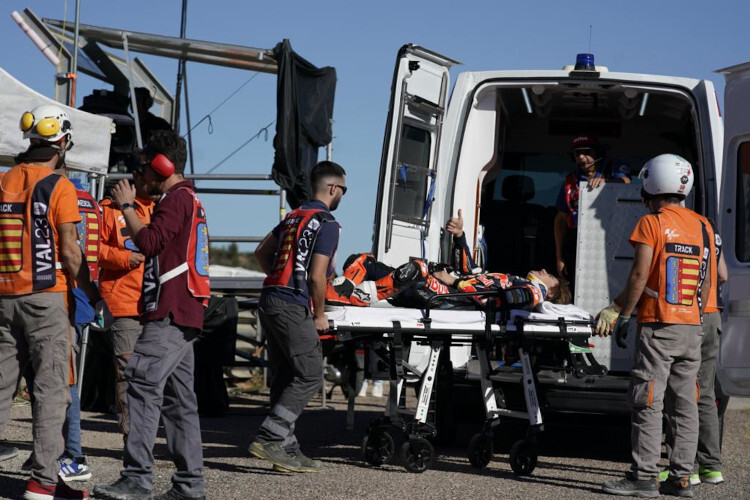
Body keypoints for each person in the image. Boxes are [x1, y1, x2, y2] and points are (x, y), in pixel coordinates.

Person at [93, 130, 210, 500]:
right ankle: (189, 485)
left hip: (172, 309)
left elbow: (148, 243)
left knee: (141, 382)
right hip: (183, 309)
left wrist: (127, 207)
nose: (140, 177)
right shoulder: (188, 199)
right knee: (179, 399)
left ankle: (137, 478)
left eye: (145, 167)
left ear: (163, 165)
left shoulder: (176, 200)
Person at [596, 154, 713, 498]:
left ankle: (644, 477)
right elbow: (705, 283)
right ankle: (680, 478)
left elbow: (639, 274)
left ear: (651, 184)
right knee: (686, 403)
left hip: (658, 325)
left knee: (648, 400)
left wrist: (619, 310)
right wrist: (697, 317)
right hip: (692, 325)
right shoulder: (704, 226)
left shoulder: (653, 223)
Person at [0, 104, 98, 499]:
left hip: (3, 298)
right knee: (52, 390)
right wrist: (91, 291)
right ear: (63, 142)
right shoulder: (59, 187)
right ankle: (42, 483)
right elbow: (71, 253)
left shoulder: (4, 180)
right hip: (46, 299)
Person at [249, 161, 346, 473]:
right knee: (309, 373)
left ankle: (286, 448)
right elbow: (318, 276)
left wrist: (280, 277)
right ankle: (270, 437)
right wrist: (319, 314)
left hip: (270, 298)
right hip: (292, 303)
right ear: (333, 188)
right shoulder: (327, 222)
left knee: (286, 374)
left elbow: (261, 252)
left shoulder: (294, 216)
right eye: (344, 189)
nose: (343, 194)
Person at [662, 229, 727, 487]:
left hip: (688, 314)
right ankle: (711, 467)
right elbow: (723, 275)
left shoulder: (676, 229)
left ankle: (684, 467)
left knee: (679, 392)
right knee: (706, 392)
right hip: (713, 316)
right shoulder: (712, 233)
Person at [98, 166, 155, 436]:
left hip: (156, 307)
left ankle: (149, 440)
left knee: (154, 378)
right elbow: (90, 247)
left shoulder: (163, 208)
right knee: (129, 376)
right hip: (124, 306)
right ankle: (133, 442)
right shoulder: (107, 209)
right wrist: (124, 258)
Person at [554, 134, 630, 294]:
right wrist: (559, 256)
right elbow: (560, 219)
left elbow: (627, 182)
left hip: (611, 237)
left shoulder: (612, 168)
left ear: (598, 152)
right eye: (577, 154)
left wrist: (606, 184)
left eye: (586, 152)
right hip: (576, 241)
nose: (581, 157)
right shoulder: (569, 181)